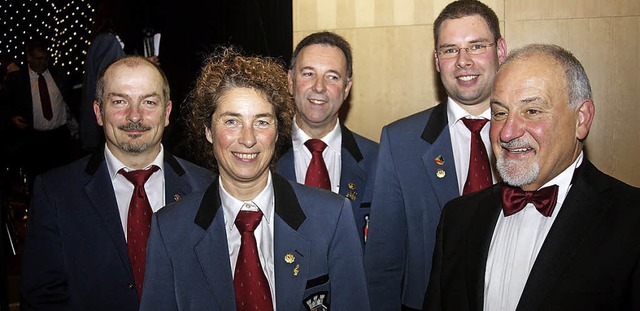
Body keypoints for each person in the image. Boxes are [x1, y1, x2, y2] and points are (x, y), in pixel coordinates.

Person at [140, 47, 369, 310]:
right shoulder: (170, 229)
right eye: (231, 122)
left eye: (261, 122)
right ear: (208, 131)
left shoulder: (331, 216)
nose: (248, 139)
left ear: (278, 131)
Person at [423, 43, 640, 310]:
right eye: (500, 113)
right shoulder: (458, 218)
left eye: (532, 111)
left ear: (581, 119)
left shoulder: (631, 221)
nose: (507, 132)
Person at [19, 55, 214, 311]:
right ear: (99, 112)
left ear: (166, 113)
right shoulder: (55, 193)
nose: (134, 116)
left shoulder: (206, 188)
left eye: (149, 102)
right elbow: (42, 299)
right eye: (120, 101)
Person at [364, 1, 507, 309]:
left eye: (476, 46)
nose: (463, 61)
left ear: (500, 50)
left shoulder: (529, 133)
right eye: (450, 50)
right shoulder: (400, 141)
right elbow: (383, 264)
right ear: (437, 61)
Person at [277, 31, 378, 246]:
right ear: (290, 81)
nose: (319, 87)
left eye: (332, 76)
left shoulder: (378, 160)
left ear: (346, 88)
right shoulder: (262, 156)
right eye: (308, 74)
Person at [2, 40, 79, 180]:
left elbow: (71, 99)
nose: (42, 63)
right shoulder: (18, 79)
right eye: (38, 59)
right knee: (38, 181)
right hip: (34, 140)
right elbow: (5, 104)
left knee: (62, 179)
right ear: (29, 57)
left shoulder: (57, 74)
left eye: (45, 58)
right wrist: (11, 118)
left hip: (59, 136)